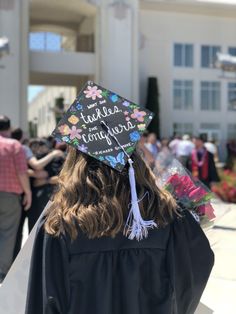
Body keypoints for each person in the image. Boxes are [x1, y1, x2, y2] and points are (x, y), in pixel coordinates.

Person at [25, 82, 214, 314]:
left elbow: (45, 302)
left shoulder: (59, 224)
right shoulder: (168, 216)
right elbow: (194, 274)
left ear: (75, 161)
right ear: (134, 157)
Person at [11, 128, 64, 258]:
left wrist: (42, 176)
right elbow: (40, 170)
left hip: (30, 196)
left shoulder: (27, 156)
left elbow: (43, 174)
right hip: (36, 196)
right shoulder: (50, 157)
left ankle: (28, 257)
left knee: (31, 230)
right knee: (40, 229)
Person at [0, 116, 31, 283]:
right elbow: (21, 172)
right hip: (10, 196)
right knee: (7, 234)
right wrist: (28, 193)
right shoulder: (14, 145)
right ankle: (2, 272)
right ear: (9, 128)